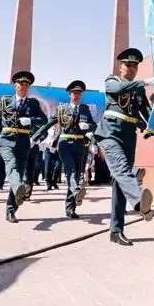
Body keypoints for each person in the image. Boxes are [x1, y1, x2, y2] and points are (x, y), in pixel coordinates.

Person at [94, 48, 154, 246]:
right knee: (122, 169)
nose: (131, 68)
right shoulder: (111, 81)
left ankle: (116, 230)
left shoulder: (138, 89)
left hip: (129, 136)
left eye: (135, 65)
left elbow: (145, 112)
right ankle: (139, 200)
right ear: (120, 66)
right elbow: (119, 91)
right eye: (128, 65)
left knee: (120, 183)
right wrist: (146, 82)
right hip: (109, 134)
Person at [32, 80, 97, 218]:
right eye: (74, 93)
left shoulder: (85, 109)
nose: (77, 95)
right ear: (69, 94)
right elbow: (48, 124)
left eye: (79, 93)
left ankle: (70, 208)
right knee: (71, 170)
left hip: (80, 144)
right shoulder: (62, 110)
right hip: (65, 144)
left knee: (77, 173)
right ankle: (76, 190)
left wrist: (89, 128)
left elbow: (94, 125)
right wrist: (34, 138)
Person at [0, 71, 48, 223]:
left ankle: (11, 209)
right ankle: (17, 189)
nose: (24, 86)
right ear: (15, 85)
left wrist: (30, 120)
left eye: (27, 84)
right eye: (21, 83)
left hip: (23, 143)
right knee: (12, 169)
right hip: (7, 141)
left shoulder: (33, 103)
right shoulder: (5, 101)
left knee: (19, 174)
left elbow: (43, 120)